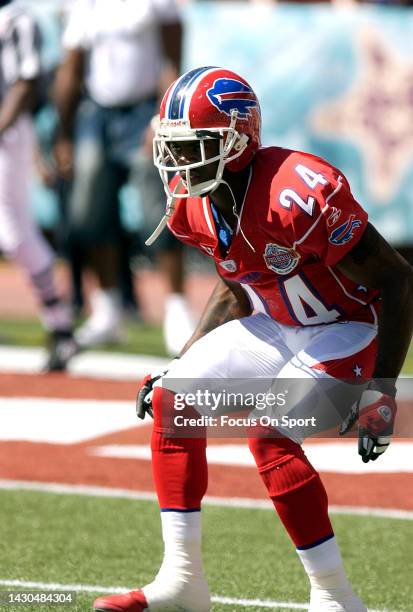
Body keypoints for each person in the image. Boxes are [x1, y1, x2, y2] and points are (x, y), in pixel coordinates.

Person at [93, 67, 413, 611]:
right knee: (177, 401)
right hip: (277, 323)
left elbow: (397, 278)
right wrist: (184, 358)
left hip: (347, 328)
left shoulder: (296, 191)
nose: (178, 163)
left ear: (238, 141)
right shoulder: (197, 203)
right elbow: (237, 281)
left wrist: (382, 390)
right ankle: (182, 582)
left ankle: (335, 597)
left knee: (269, 430)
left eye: (194, 146)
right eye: (174, 148)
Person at [53, 0, 194, 355]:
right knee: (89, 210)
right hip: (97, 111)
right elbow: (71, 67)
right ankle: (108, 307)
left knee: (157, 209)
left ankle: (176, 307)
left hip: (144, 108)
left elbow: (173, 60)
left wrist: (162, 116)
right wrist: (64, 133)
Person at [0, 0, 76, 371]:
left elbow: (26, 81)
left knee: (14, 233)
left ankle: (61, 325)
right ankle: (61, 324)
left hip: (8, 136)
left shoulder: (17, 20)